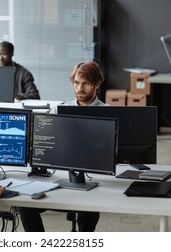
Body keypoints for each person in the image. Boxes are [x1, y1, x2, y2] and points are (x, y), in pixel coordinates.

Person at [18, 61, 107, 232]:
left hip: (93, 182)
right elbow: (42, 145)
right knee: (25, 205)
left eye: (86, 83)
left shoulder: (109, 113)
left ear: (96, 84)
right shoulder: (58, 111)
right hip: (59, 178)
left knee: (90, 212)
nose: (80, 88)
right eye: (76, 82)